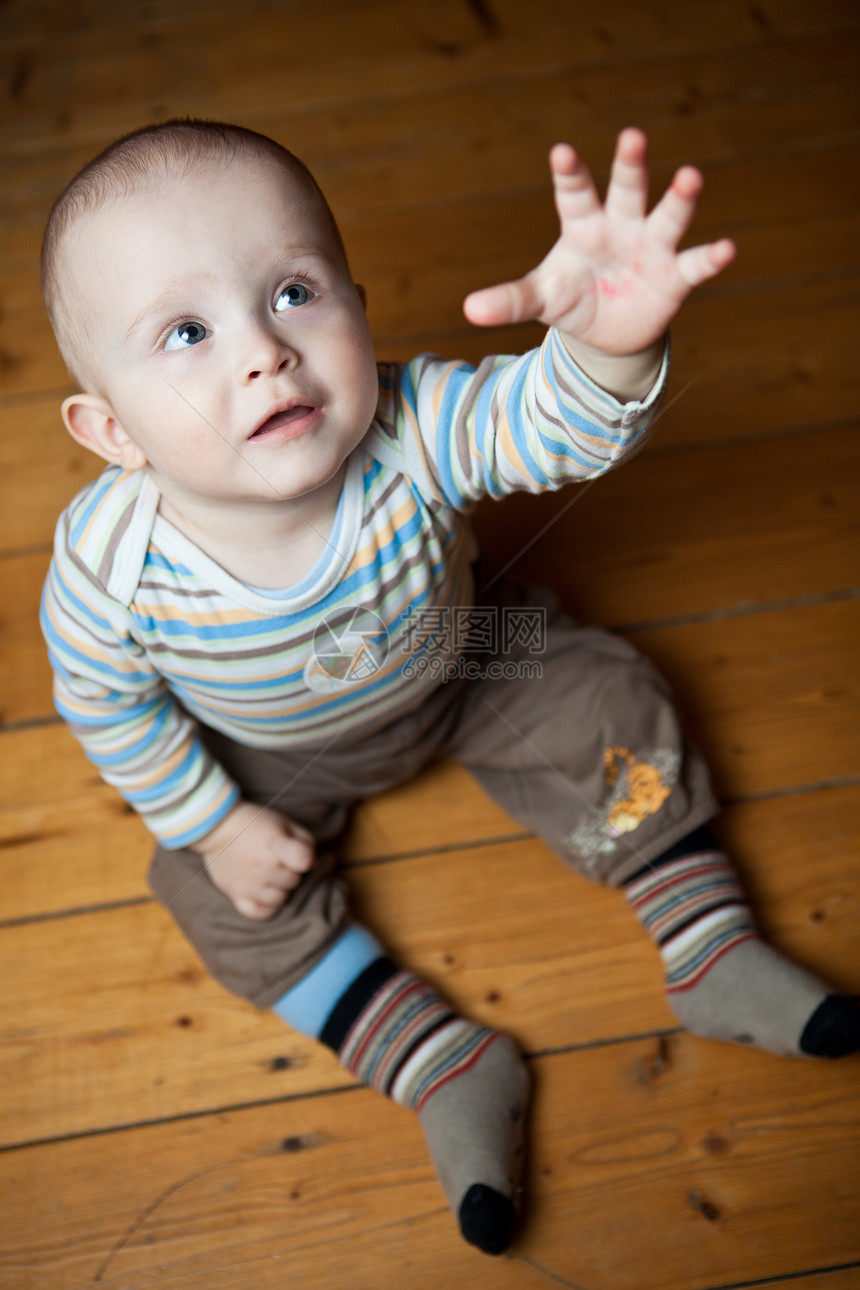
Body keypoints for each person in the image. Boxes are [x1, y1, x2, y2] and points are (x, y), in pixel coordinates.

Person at [39, 119, 860, 1257]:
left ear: (358, 304)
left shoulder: (411, 426)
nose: (263, 353)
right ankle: (434, 1060)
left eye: (291, 293)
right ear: (109, 431)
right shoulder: (106, 572)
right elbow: (107, 706)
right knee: (205, 892)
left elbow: (548, 424)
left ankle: (704, 937)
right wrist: (217, 823)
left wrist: (606, 351)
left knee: (605, 696)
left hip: (463, 662)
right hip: (266, 755)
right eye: (186, 331)